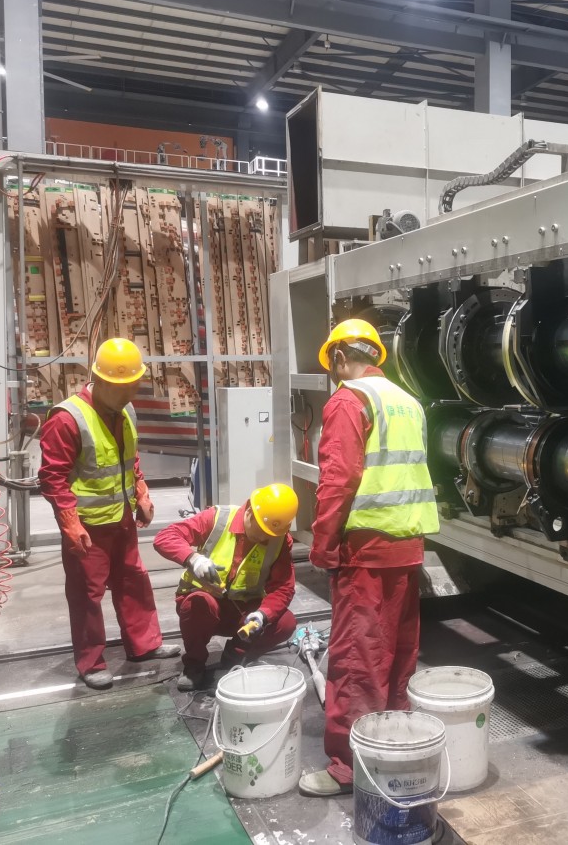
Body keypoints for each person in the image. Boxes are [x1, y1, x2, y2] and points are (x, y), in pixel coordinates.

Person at [299, 319, 440, 797]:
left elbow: (338, 479)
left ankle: (348, 768)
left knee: (357, 660)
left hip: (365, 550)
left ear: (340, 357)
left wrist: (323, 544)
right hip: (407, 546)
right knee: (396, 657)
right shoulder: (408, 401)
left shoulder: (349, 400)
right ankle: (390, 750)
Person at [38, 337, 179, 689]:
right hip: (88, 527)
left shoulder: (126, 410)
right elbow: (53, 478)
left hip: (122, 520)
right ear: (99, 379)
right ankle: (91, 662)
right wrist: (70, 523)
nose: (129, 394)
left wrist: (141, 492)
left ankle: (144, 645)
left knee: (134, 581)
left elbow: (129, 459)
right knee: (87, 593)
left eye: (133, 386)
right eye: (122, 387)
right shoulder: (67, 419)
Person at [152, 484, 300, 691]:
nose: (264, 538)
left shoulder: (279, 540)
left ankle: (234, 656)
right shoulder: (217, 519)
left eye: (271, 534)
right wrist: (193, 559)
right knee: (198, 603)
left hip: (243, 613)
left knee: (285, 622)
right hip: (204, 609)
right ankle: (194, 664)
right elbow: (165, 537)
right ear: (249, 511)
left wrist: (263, 614)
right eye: (261, 530)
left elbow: (283, 588)